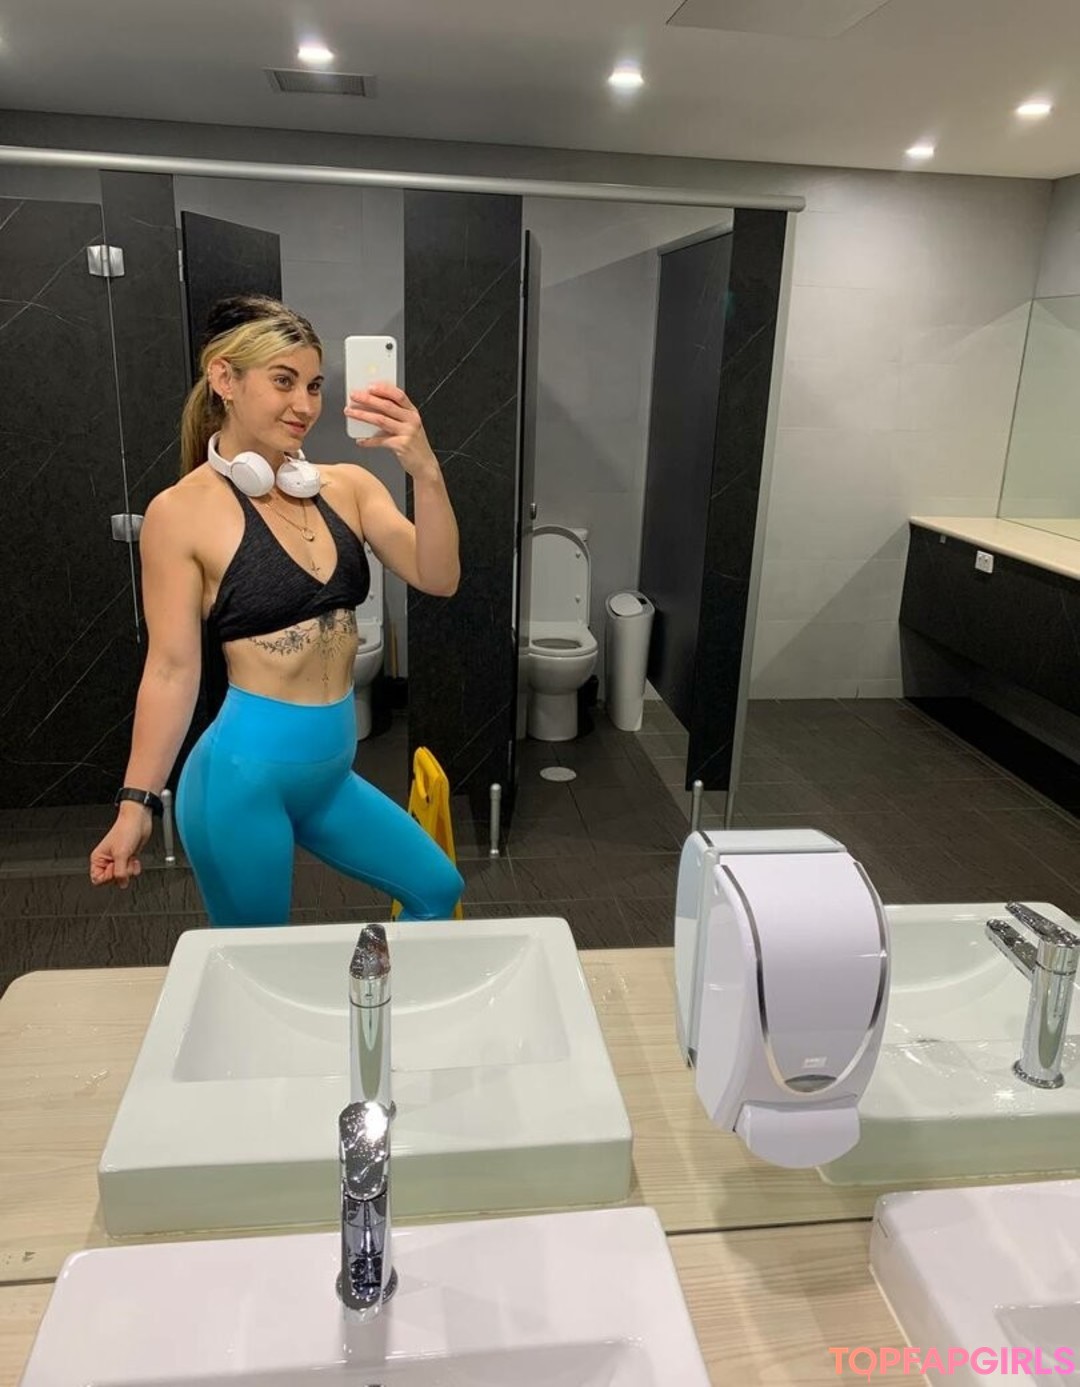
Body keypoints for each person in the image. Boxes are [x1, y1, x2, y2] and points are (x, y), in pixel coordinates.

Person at [89, 294, 464, 927]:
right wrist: (136, 805)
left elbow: (440, 576)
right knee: (258, 955)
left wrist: (424, 470)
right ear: (225, 379)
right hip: (239, 785)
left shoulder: (348, 487)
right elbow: (172, 670)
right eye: (284, 381)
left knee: (437, 889)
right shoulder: (180, 513)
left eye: (314, 386)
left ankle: (366, 993)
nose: (305, 405)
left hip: (329, 779)